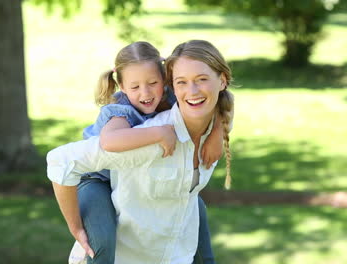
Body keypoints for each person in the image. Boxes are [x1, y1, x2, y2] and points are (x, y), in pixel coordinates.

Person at [47, 39, 234, 264]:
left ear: (165, 82)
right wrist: (158, 134)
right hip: (96, 178)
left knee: (195, 205)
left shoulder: (178, 96)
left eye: (153, 82)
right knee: (102, 243)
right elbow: (107, 143)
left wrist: (216, 131)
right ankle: (86, 244)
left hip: (163, 234)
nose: (145, 92)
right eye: (135, 87)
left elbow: (224, 100)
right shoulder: (121, 113)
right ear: (123, 87)